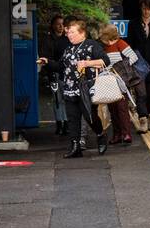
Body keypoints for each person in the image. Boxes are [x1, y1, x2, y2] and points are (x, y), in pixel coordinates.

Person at [37, 17, 108, 158]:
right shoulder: (68, 49)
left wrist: (86, 64)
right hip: (69, 88)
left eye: (72, 32)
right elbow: (61, 66)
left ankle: (100, 135)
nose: (69, 34)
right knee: (73, 119)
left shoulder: (92, 45)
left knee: (90, 117)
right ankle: (75, 147)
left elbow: (105, 61)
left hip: (85, 88)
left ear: (82, 33)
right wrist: (48, 62)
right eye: (68, 32)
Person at [97, 24, 141, 144]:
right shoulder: (102, 47)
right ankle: (117, 134)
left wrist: (122, 67)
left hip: (120, 80)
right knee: (112, 109)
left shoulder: (120, 43)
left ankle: (126, 134)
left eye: (103, 36)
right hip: (107, 80)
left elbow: (133, 57)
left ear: (108, 36)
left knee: (122, 107)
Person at [39, 15, 70, 137]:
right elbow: (44, 56)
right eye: (58, 24)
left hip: (65, 72)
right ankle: (59, 123)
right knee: (57, 100)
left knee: (66, 98)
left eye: (63, 24)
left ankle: (66, 123)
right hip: (53, 71)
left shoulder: (67, 39)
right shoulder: (47, 40)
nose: (61, 27)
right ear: (53, 26)